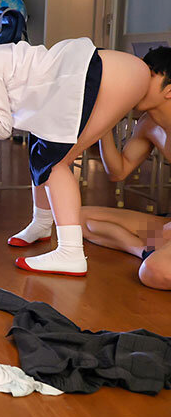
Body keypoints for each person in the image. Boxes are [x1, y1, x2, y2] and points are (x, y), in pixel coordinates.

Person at [0, 20, 154, 277]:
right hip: (114, 70)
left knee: (54, 163)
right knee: (42, 152)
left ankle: (71, 252)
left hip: (103, 75)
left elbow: (1, 128)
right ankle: (42, 223)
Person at [80, 46, 171, 290]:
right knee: (78, 219)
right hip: (166, 226)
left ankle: (156, 254)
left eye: (148, 75)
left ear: (169, 90)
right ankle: (144, 250)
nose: (137, 80)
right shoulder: (148, 125)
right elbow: (118, 171)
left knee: (153, 272)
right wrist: (105, 120)